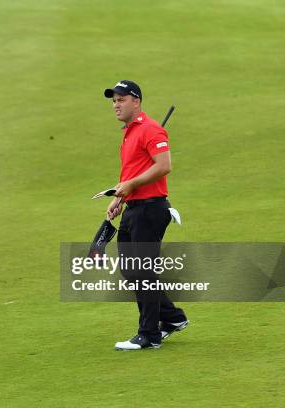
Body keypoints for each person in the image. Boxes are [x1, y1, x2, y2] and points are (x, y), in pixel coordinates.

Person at [103, 80, 188, 350]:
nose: (116, 104)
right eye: (114, 100)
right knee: (131, 271)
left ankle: (149, 334)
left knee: (142, 272)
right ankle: (172, 318)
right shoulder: (129, 133)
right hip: (134, 208)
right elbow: (134, 171)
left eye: (121, 99)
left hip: (151, 210)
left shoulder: (151, 129)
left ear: (136, 101)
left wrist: (130, 185)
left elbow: (164, 166)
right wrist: (121, 195)